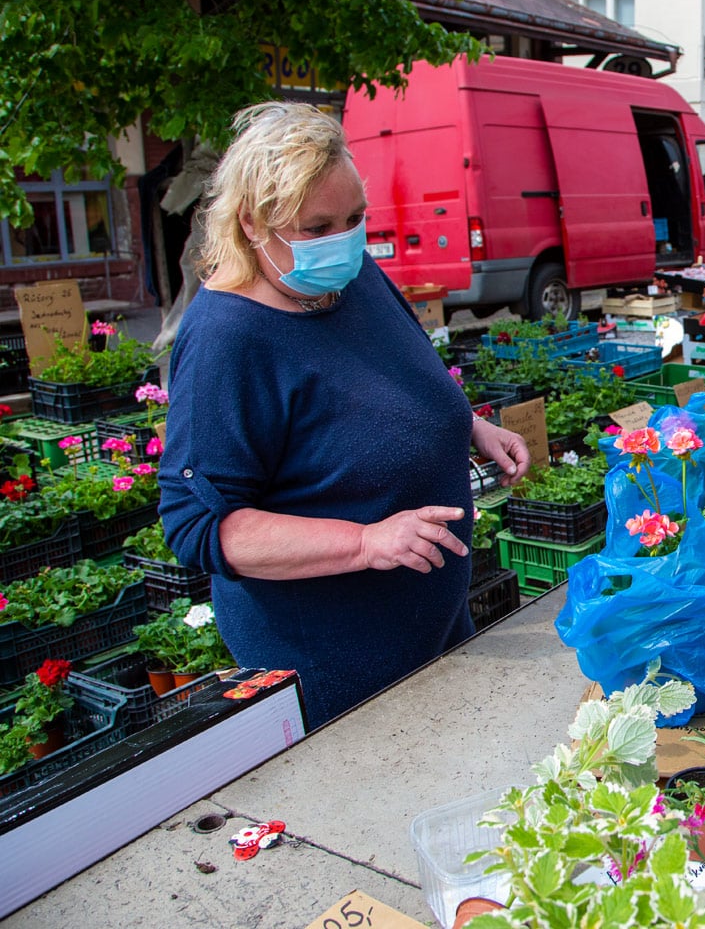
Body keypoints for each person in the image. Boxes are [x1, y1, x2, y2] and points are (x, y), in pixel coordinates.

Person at [158, 103, 531, 729]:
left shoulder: (347, 277)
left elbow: (393, 375)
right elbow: (198, 524)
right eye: (317, 226)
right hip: (336, 666)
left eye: (355, 218)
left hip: (432, 624)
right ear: (252, 224)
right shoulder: (228, 338)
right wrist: (363, 541)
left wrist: (465, 423)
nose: (343, 239)